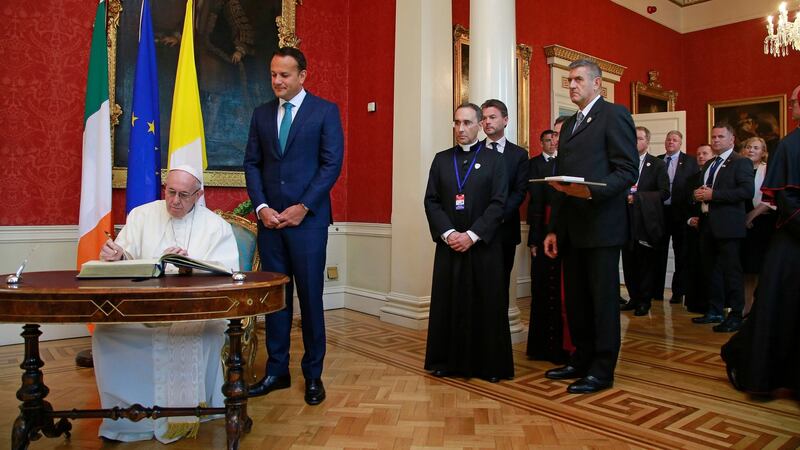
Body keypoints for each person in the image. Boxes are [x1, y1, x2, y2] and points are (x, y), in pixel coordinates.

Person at [94, 166, 240, 443]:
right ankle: (125, 420)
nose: (174, 200)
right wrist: (117, 256)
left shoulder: (215, 226)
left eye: (184, 195)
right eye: (170, 191)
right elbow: (127, 258)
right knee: (107, 332)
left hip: (193, 311)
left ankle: (180, 413)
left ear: (199, 194)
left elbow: (228, 274)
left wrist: (188, 268)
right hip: (142, 309)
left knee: (195, 334)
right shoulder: (142, 215)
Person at [243, 47, 344, 405]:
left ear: (302, 75)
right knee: (276, 301)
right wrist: (262, 207)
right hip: (271, 223)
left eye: (284, 75)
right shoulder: (261, 114)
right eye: (273, 74)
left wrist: (304, 206)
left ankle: (313, 375)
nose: (277, 81)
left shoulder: (325, 112)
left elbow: (331, 165)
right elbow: (252, 164)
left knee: (311, 300)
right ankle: (277, 370)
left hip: (308, 224)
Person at [542, 59, 639, 394]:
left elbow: (628, 171)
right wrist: (553, 228)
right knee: (578, 301)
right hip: (572, 228)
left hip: (603, 226)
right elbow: (562, 185)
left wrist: (592, 192)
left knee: (602, 301)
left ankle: (602, 369)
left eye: (579, 79)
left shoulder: (615, 115)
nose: (572, 85)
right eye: (569, 80)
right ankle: (580, 359)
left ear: (598, 84)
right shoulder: (568, 126)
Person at [423, 103, 513, 383]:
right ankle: (446, 362)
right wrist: (449, 233)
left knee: (486, 304)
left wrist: (472, 235)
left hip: (483, 246)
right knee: (449, 303)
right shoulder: (441, 160)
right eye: (457, 123)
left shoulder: (496, 161)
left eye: (467, 123)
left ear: (479, 126)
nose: (461, 129)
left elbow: (499, 204)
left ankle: (489, 366)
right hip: (450, 246)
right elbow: (432, 200)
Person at [721, 83, 800, 395]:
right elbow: (788, 202)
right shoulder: (789, 145)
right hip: (794, 244)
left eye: (794, 102)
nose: (792, 108)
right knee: (778, 312)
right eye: (794, 102)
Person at [691, 123, 754, 333]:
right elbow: (703, 190)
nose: (716, 140)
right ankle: (715, 310)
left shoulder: (740, 162)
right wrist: (697, 195)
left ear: (731, 139)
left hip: (728, 226)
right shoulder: (709, 163)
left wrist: (713, 195)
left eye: (720, 137)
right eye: (713, 136)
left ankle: (735, 315)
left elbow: (746, 191)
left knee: (731, 272)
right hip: (707, 224)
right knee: (711, 271)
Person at [527, 119, 573, 364]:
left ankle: (569, 349)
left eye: (558, 135)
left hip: (572, 234)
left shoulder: (575, 162)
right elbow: (535, 204)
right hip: (543, 230)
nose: (555, 139)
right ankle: (542, 347)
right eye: (552, 135)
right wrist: (535, 238)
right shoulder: (534, 165)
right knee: (543, 290)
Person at [480, 99, 529, 294]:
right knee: (477, 285)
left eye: (492, 117)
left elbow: (519, 192)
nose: (487, 122)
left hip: (504, 230)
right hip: (476, 229)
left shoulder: (518, 155)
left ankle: (498, 325)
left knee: (499, 286)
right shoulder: (474, 152)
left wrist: (497, 216)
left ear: (506, 120)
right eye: (483, 118)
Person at [621, 126, 669, 316]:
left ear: (647, 141)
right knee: (628, 260)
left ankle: (644, 300)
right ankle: (633, 297)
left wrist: (638, 198)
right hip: (625, 219)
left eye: (640, 138)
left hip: (646, 220)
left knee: (645, 262)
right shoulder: (623, 163)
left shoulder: (657, 164)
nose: (635, 142)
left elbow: (665, 192)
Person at [654, 130, 699, 304]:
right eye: (668, 139)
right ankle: (656, 291)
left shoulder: (690, 161)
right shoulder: (657, 161)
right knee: (658, 253)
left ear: (680, 143)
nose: (671, 142)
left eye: (675, 140)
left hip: (681, 213)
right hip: (660, 213)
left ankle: (678, 292)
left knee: (682, 254)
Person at [739, 136, 776, 315]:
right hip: (741, 225)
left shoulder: (768, 170)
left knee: (760, 268)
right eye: (748, 147)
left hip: (763, 224)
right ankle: (746, 307)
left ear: (763, 153)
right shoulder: (738, 168)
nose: (751, 150)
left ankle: (761, 309)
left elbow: (771, 198)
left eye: (756, 148)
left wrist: (751, 216)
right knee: (746, 269)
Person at [684, 144, 714, 314]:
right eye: (698, 154)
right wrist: (690, 219)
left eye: (705, 153)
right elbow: (683, 203)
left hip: (713, 226)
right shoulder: (691, 179)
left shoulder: (718, 177)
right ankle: (695, 303)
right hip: (694, 229)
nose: (701, 156)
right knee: (694, 266)